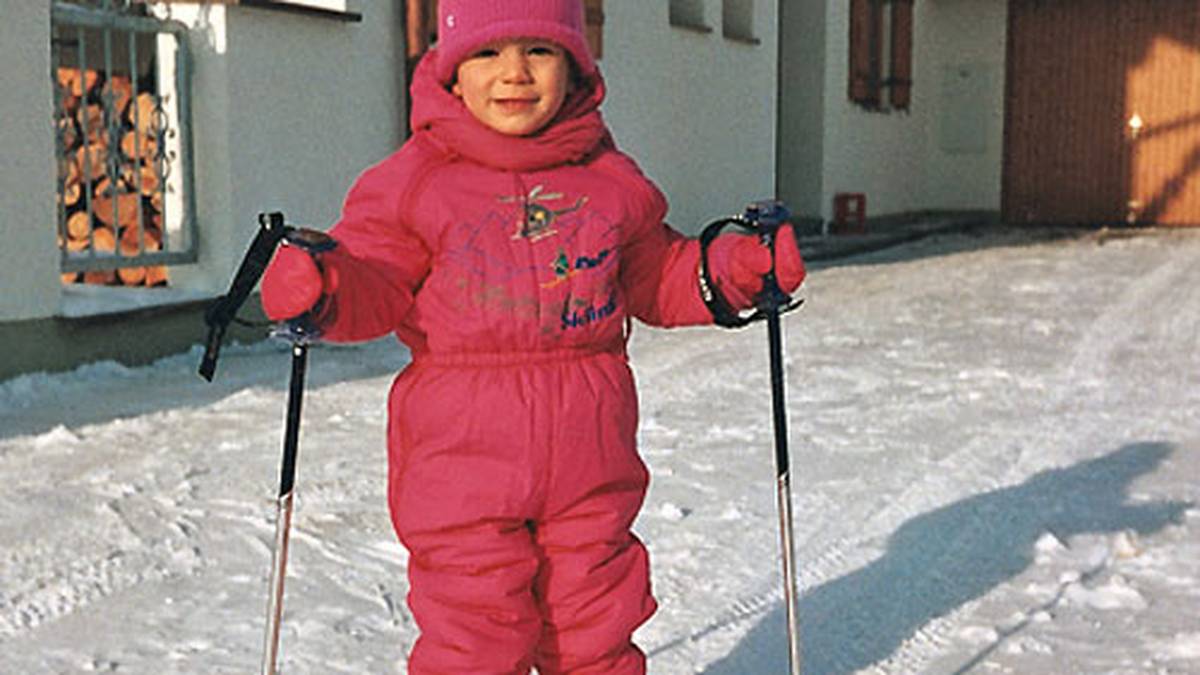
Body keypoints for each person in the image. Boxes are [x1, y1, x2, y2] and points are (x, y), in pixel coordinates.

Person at [259, 1, 805, 672]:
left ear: (574, 65)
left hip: (589, 462)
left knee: (595, 631)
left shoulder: (606, 178)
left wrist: (731, 269)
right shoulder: (416, 182)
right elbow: (375, 278)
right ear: (451, 71)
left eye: (539, 51)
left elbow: (657, 273)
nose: (513, 73)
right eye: (487, 53)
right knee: (475, 637)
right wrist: (325, 285)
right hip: (462, 465)